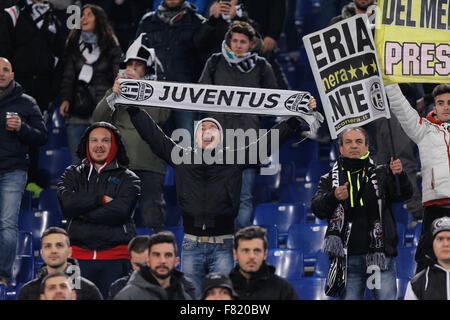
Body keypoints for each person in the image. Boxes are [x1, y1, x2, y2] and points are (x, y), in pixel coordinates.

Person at [126, 96, 316, 297]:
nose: (207, 131)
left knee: (224, 300)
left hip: (224, 243)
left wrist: (295, 119)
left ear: (220, 136)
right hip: (191, 244)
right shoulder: (181, 156)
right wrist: (133, 109)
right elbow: (154, 136)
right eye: (202, 128)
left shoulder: (234, 158)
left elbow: (267, 144)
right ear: (196, 136)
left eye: (212, 128)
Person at [311, 126, 413, 300]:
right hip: (347, 259)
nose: (354, 146)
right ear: (341, 148)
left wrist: (399, 175)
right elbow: (318, 209)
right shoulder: (328, 179)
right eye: (348, 142)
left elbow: (403, 194)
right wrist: (333, 196)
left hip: (381, 257)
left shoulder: (382, 173)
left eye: (359, 141)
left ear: (367, 147)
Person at [198, 20, 277, 230]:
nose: (238, 45)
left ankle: (241, 241)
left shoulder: (262, 66)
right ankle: (222, 241)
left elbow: (275, 100)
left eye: (243, 41)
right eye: (235, 40)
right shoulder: (214, 62)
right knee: (217, 198)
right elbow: (199, 97)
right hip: (218, 142)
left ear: (251, 44)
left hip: (248, 142)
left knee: (244, 197)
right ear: (229, 41)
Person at [93, 34, 171, 231]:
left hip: (150, 165)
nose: (133, 69)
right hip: (121, 165)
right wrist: (113, 94)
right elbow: (97, 119)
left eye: (138, 66)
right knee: (118, 216)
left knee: (153, 215)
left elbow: (160, 117)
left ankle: (160, 252)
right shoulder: (115, 92)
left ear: (146, 69)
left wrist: (140, 91)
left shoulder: (158, 92)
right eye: (130, 65)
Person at [56, 121, 141, 298]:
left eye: (105, 140)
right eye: (94, 140)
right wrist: (100, 199)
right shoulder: (72, 173)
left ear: (114, 145)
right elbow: (67, 205)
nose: (99, 145)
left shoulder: (129, 178)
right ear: (87, 144)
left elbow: (120, 212)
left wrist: (80, 211)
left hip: (116, 259)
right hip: (76, 260)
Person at [0, 0, 65, 196]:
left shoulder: (55, 21)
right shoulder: (12, 14)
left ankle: (31, 181)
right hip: (12, 89)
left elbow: (59, 61)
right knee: (7, 132)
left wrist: (51, 93)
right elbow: (3, 52)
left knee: (31, 134)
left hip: (42, 91)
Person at [385, 83, 450, 273]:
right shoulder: (422, 129)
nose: (446, 106)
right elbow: (400, 107)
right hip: (434, 206)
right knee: (427, 263)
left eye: (449, 102)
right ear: (434, 106)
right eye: (441, 103)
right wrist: (389, 82)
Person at [0, 57, 48, 287]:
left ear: (13, 75)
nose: (1, 73)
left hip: (13, 171)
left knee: (7, 225)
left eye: (6, 69)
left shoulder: (27, 102)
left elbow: (42, 136)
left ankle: (3, 277)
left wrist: (22, 128)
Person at [59, 4, 122, 164]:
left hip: (102, 109)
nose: (83, 18)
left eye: (88, 15)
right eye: (82, 15)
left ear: (98, 20)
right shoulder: (73, 43)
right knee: (77, 161)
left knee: (103, 160)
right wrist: (66, 99)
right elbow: (68, 75)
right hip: (77, 109)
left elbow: (118, 75)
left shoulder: (110, 43)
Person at [136, 0, 206, 137]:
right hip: (155, 93)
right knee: (154, 143)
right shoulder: (147, 21)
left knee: (187, 143)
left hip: (187, 96)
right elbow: (135, 55)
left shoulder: (198, 22)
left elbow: (205, 60)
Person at [18, 227, 102, 300]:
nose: (53, 251)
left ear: (69, 252)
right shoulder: (27, 291)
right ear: (42, 253)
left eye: (59, 245)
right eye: (48, 246)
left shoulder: (89, 290)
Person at [114, 231, 195, 300]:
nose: (162, 261)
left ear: (176, 261)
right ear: (148, 261)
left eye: (168, 255)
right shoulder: (127, 296)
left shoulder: (186, 294)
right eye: (157, 255)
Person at [229, 226, 298, 299]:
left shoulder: (283, 288)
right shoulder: (224, 289)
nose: (252, 256)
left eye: (257, 251)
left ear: (265, 254)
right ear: (235, 254)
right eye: (245, 251)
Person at [239, 0, 289, 90]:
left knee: (272, 77)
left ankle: (288, 102)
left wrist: (272, 34)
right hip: (233, 35)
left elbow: (278, 6)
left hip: (261, 36)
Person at [404, 216, 450, 300]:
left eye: (449, 239)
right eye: (440, 239)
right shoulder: (417, 284)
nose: (446, 244)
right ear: (433, 244)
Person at [107, 235, 150, 300]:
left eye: (145, 264)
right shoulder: (118, 288)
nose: (141, 270)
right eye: (137, 265)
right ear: (131, 261)